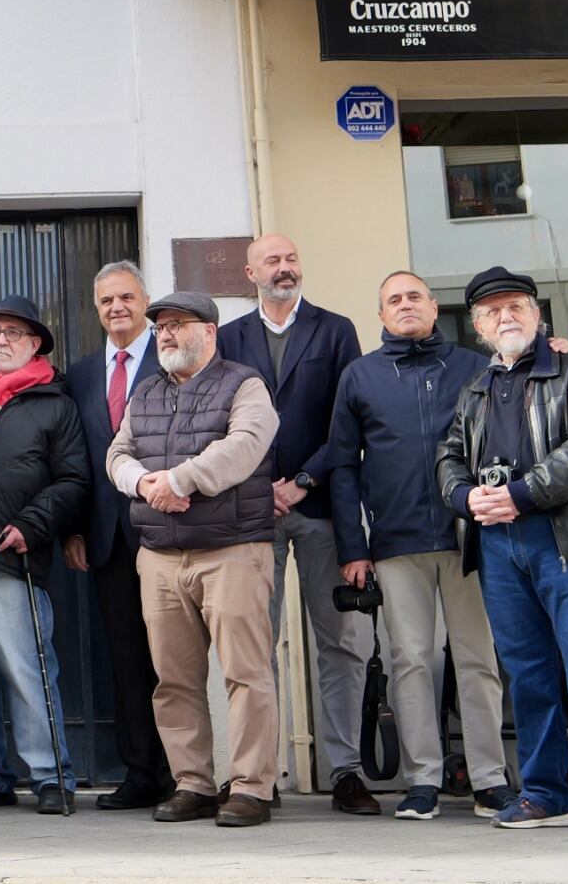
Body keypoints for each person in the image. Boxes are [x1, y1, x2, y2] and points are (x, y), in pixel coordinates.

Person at [438, 266, 568, 837]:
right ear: (478, 327)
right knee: (527, 675)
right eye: (493, 312)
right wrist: (466, 495)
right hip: (500, 546)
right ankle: (545, 794)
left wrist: (521, 494)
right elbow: (448, 455)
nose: (506, 318)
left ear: (537, 314)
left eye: (516, 307)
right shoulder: (475, 390)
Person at [328, 271, 516, 822]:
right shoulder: (359, 376)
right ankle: (423, 780)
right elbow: (342, 465)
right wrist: (351, 545)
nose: (405, 305)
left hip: (472, 537)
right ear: (381, 315)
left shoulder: (475, 367)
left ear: (434, 308)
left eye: (415, 296)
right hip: (394, 541)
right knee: (411, 660)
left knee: (478, 658)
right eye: (393, 299)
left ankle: (489, 778)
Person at [104, 290, 280, 828]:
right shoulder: (148, 392)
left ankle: (252, 787)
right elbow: (118, 453)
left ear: (210, 331)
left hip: (231, 549)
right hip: (160, 556)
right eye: (160, 328)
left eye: (179, 325)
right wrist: (145, 484)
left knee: (246, 673)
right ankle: (194, 783)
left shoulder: (244, 383)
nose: (166, 335)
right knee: (173, 679)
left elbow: (247, 444)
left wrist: (180, 479)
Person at [216, 235, 374, 815]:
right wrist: (262, 487)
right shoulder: (227, 338)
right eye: (273, 261)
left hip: (321, 506)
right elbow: (220, 424)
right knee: (256, 649)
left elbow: (349, 420)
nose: (284, 269)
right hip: (251, 515)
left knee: (339, 643)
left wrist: (301, 480)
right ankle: (263, 773)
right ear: (249, 271)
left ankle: (346, 772)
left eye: (291, 259)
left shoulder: (335, 330)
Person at [0, 295, 88, 815]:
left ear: (35, 344)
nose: (1, 340)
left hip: (12, 554)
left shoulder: (55, 402)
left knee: (26, 668)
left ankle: (53, 774)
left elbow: (75, 479)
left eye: (13, 333)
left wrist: (33, 524)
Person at [61, 262, 170, 811]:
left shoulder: (171, 357)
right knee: (126, 659)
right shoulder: (80, 374)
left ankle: (185, 771)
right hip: (106, 538)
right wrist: (77, 528)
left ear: (145, 300)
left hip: (170, 531)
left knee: (175, 656)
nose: (116, 308)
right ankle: (141, 772)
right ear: (96, 307)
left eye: (127, 297)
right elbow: (76, 458)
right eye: (106, 300)